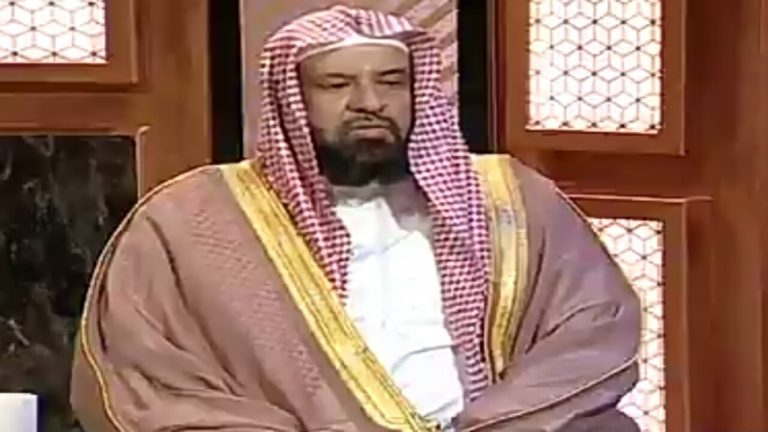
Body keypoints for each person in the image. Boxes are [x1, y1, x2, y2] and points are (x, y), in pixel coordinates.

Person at [70, 5, 641, 432]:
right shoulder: (192, 218)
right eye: (337, 84)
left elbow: (591, 328)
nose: (370, 101)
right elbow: (150, 371)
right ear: (292, 98)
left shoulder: (510, 199)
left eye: (391, 82)